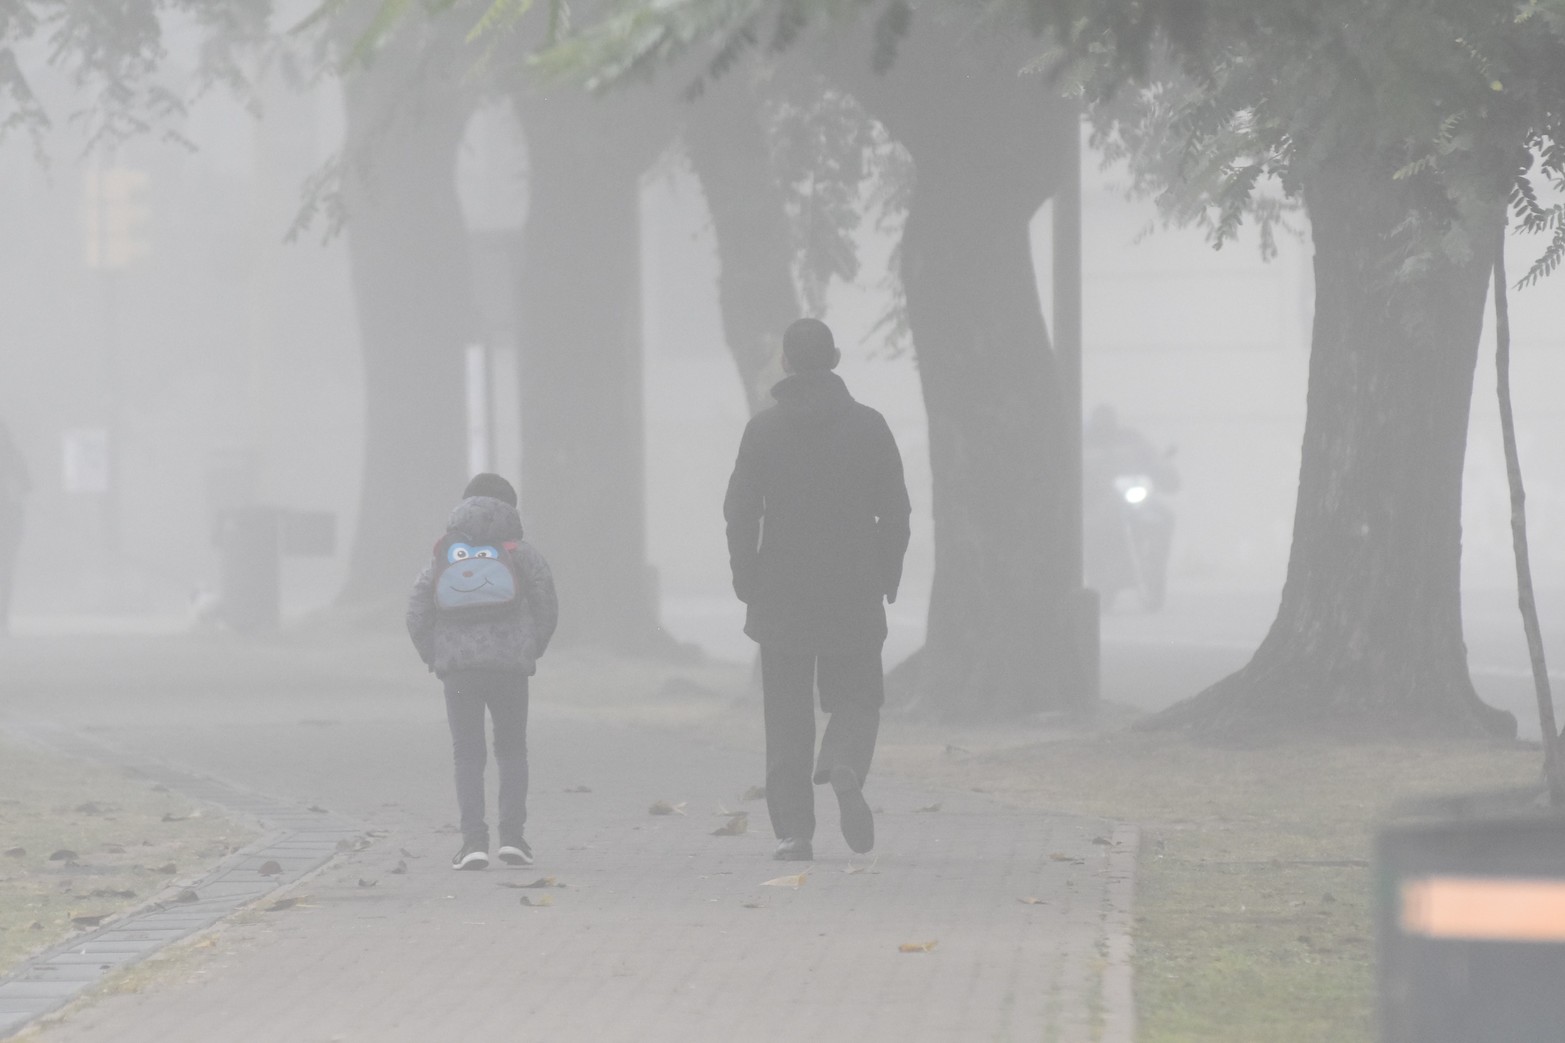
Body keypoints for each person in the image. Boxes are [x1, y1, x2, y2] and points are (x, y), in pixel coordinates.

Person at [724, 318, 912, 861]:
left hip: (780, 592)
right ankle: (846, 760)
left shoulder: (763, 431)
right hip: (853, 589)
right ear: (835, 357)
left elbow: (740, 510)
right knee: (858, 696)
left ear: (785, 362)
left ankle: (793, 832)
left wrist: (746, 578)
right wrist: (887, 574)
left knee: (785, 713)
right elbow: (895, 511)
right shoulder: (870, 427)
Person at [406, 473, 558, 871]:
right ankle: (513, 840)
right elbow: (546, 602)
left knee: (467, 754)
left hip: (460, 672)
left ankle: (473, 842)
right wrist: (530, 648)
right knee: (511, 749)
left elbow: (418, 607)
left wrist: (434, 655)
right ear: (510, 507)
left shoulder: (444, 552)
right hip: (510, 669)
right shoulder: (520, 551)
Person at [0, 421, 30, 635]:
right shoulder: (12, 454)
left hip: (8, 518)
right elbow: (28, 484)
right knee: (5, 569)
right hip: (10, 518)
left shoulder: (12, 456)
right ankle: (2, 618)